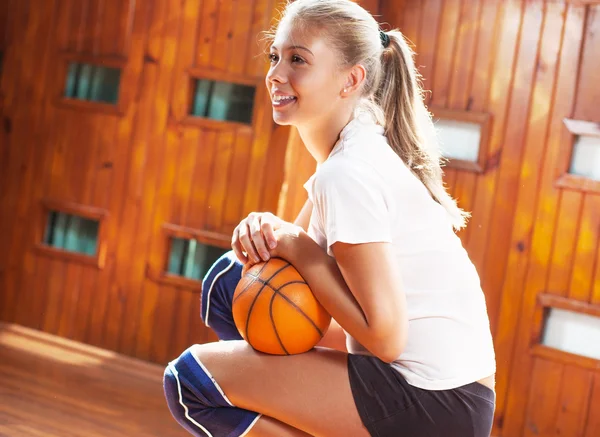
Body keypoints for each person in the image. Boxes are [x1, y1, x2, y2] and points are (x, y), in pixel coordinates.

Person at [163, 1, 496, 436]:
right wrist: (267, 231)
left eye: (297, 59)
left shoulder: (348, 173)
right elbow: (288, 257)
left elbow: (386, 336)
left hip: (434, 399)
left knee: (191, 383)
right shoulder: (354, 146)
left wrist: (295, 245)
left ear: (351, 79)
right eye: (275, 56)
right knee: (229, 284)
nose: (276, 73)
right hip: (447, 392)